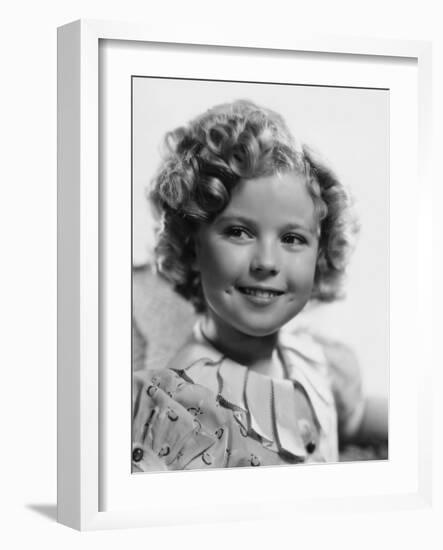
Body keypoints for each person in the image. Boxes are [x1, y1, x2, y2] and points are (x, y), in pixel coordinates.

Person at [132, 99, 388, 472]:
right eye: (238, 232)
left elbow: (353, 418)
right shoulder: (178, 407)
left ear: (320, 255)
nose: (267, 262)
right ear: (191, 245)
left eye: (292, 238)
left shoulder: (315, 360)